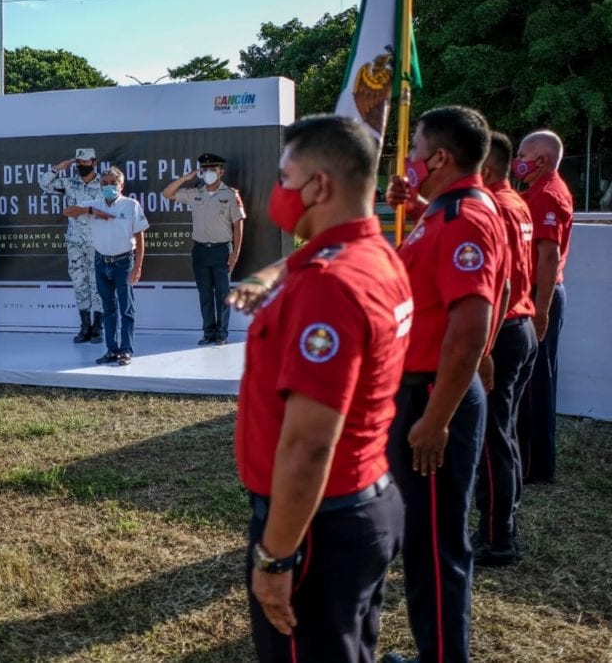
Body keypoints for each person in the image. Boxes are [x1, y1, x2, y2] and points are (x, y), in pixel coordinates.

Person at [227, 115, 409, 662]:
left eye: (284, 178)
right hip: (363, 502)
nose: (277, 193)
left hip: (317, 526)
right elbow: (314, 256)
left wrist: (276, 559)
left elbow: (309, 445)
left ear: (319, 187)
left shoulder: (327, 289)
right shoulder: (376, 256)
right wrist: (269, 275)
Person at [381, 106, 509, 663]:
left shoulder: (465, 220)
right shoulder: (443, 211)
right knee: (424, 535)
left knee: (434, 544)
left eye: (414, 149)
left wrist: (435, 421)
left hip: (433, 396)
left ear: (439, 158)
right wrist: (404, 201)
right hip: (429, 388)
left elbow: (469, 325)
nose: (407, 159)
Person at [473, 132, 538, 567]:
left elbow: (502, 284)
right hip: (521, 325)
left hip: (503, 330)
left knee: (493, 437)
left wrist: (483, 348)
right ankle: (501, 522)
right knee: (504, 432)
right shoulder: (516, 201)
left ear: (486, 169)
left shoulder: (495, 206)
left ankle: (499, 538)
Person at [513, 129, 573, 484]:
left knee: (537, 382)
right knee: (535, 378)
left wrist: (542, 309)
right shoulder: (536, 192)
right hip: (539, 292)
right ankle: (531, 458)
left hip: (541, 292)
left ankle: (535, 466)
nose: (517, 162)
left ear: (542, 160)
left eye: (522, 154)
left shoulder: (548, 195)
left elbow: (547, 257)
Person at [161, 152, 246, 345]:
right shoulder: (195, 193)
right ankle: (208, 332)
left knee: (223, 294)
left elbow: (238, 224)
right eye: (205, 170)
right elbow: (166, 194)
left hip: (222, 250)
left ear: (221, 172)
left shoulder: (231, 194)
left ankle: (221, 334)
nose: (209, 173)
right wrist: (186, 178)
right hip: (200, 250)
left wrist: (236, 252)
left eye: (213, 170)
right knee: (205, 294)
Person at [70, 166, 148, 366]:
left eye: (113, 183)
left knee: (126, 309)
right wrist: (90, 211)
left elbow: (140, 238)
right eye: (104, 183)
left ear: (121, 185)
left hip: (123, 263)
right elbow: (67, 211)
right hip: (101, 261)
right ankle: (111, 350)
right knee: (108, 309)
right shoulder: (94, 204)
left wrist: (137, 267)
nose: (109, 186)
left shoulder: (131, 205)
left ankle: (126, 350)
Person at [39, 147, 104, 343]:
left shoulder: (105, 183)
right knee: (79, 284)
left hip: (97, 243)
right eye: (79, 162)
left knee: (98, 285)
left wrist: (83, 210)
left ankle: (98, 326)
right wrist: (58, 168)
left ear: (94, 162)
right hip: (75, 243)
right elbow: (43, 184)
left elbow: (113, 209)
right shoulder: (69, 183)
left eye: (86, 162)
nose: (82, 165)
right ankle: (84, 326)